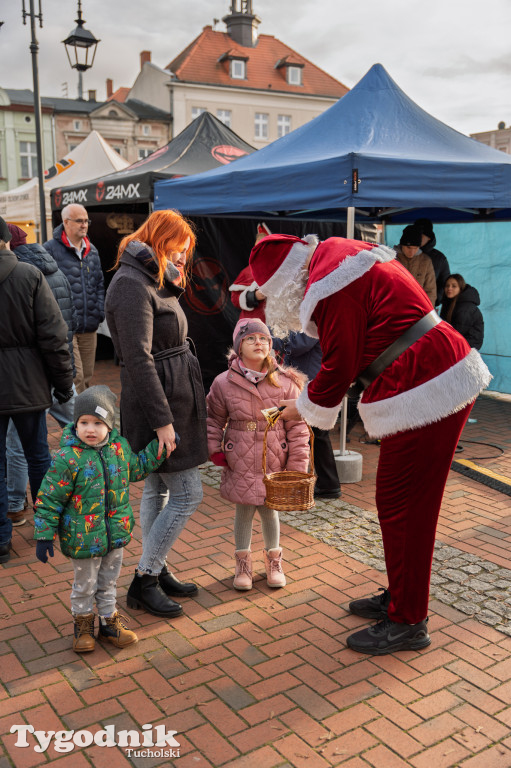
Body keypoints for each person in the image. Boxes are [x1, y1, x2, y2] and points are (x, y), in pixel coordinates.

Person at [249, 233, 491, 654]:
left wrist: (300, 408)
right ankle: (401, 598)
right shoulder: (337, 261)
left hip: (427, 380)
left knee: (404, 506)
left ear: (287, 279)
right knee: (399, 504)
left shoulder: (331, 281)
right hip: (429, 375)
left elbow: (340, 362)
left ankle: (409, 619)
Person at [105, 210, 208, 618]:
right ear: (160, 241)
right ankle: (144, 578)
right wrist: (163, 422)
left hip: (171, 396)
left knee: (158, 489)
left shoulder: (150, 277)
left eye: (186, 253)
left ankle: (157, 567)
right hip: (158, 404)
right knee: (188, 494)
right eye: (179, 251)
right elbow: (138, 359)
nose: (183, 259)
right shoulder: (131, 284)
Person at [33, 386, 166, 653]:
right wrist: (44, 535)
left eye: (97, 423)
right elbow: (49, 499)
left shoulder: (120, 448)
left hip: (114, 534)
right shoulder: (67, 458)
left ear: (109, 425)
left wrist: (158, 449)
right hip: (82, 539)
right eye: (83, 423)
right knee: (85, 584)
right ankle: (82, 625)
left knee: (108, 581)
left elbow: (136, 468)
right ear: (75, 423)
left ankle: (109, 623)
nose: (90, 429)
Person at [206, 318, 310, 590]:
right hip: (239, 453)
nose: (258, 343)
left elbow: (298, 426)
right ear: (239, 347)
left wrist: (297, 463)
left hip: (273, 455)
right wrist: (215, 449)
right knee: (244, 507)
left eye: (264, 338)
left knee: (269, 508)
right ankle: (243, 564)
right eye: (251, 338)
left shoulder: (285, 382)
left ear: (271, 345)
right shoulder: (223, 382)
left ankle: (274, 560)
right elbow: (213, 419)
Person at [0, 216, 73, 565]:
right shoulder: (29, 276)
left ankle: (1, 540)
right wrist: (62, 384)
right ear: (7, 242)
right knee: (38, 455)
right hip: (29, 384)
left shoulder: (30, 276)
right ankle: (48, 524)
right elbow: (53, 336)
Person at [272, 331, 341, 499]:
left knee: (316, 433)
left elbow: (296, 345)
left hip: (310, 382)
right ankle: (327, 483)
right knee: (313, 434)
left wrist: (271, 337)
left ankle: (328, 484)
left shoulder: (312, 320)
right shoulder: (304, 318)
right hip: (303, 380)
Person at [44, 204, 104, 393]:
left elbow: (99, 283)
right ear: (66, 222)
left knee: (86, 375)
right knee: (75, 376)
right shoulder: (50, 249)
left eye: (86, 221)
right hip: (66, 326)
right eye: (79, 221)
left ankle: (81, 419)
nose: (84, 225)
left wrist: (99, 311)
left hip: (89, 325)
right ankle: (75, 420)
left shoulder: (92, 250)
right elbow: (44, 287)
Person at [394, 225, 437, 305]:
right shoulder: (391, 259)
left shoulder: (426, 261)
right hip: (395, 310)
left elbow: (430, 291)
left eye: (416, 248)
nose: (412, 252)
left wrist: (425, 312)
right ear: (402, 245)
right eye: (409, 248)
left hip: (419, 311)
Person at [440, 274, 484, 350]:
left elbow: (459, 333)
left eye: (454, 286)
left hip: (469, 345)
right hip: (458, 342)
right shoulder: (448, 303)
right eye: (447, 286)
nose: (449, 288)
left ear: (460, 289)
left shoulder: (465, 307)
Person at [414, 218, 451, 306]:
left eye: (421, 235)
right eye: (415, 235)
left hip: (429, 308)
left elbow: (445, 283)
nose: (417, 238)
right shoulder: (403, 254)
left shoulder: (439, 258)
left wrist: (434, 300)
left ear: (429, 237)